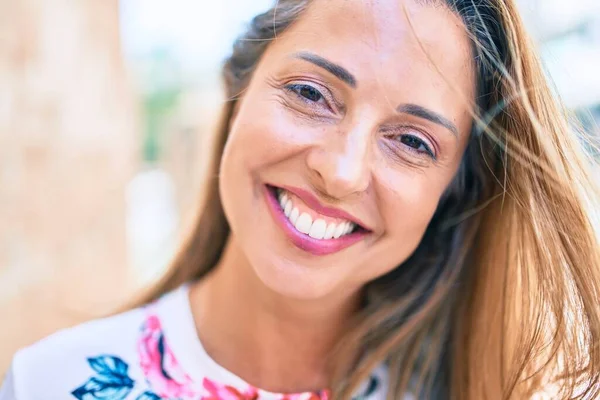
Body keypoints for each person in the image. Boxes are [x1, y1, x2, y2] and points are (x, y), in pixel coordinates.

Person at [2, 0, 599, 398]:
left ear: (451, 194)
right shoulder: (49, 383)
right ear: (239, 86)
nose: (340, 172)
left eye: (412, 141)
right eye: (312, 93)